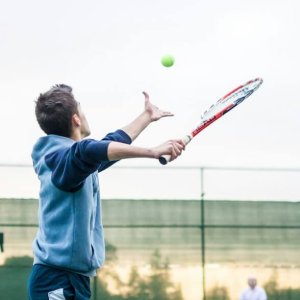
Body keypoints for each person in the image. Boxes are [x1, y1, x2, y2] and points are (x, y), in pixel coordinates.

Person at [27, 84, 185, 300]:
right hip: (56, 279)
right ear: (76, 119)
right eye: (82, 109)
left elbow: (108, 145)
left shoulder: (72, 163)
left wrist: (147, 117)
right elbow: (89, 150)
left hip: (75, 279)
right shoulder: (63, 160)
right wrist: (152, 151)